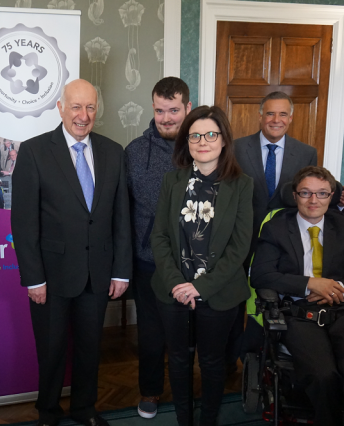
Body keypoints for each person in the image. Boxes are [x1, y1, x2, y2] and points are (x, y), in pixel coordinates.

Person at [11, 79, 131, 426]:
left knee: (90, 349)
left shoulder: (113, 152)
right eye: (76, 107)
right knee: (50, 351)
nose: (83, 115)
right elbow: (24, 223)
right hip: (51, 275)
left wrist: (121, 270)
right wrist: (34, 278)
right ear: (61, 108)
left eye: (90, 107)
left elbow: (121, 215)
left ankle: (84, 409)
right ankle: (48, 412)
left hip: (98, 273)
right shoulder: (34, 152)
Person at [230, 91, 344, 368]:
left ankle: (265, 356)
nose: (276, 120)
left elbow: (320, 190)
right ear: (260, 115)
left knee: (271, 301)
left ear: (291, 117)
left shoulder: (305, 151)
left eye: (283, 114)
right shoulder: (236, 148)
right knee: (235, 302)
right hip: (240, 239)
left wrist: (342, 198)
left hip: (281, 243)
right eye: (270, 113)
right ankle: (231, 359)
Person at [250, 166, 344, 426]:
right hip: (300, 314)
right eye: (306, 193)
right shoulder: (276, 229)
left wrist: (337, 290)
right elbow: (261, 276)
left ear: (332, 196)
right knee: (323, 374)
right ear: (295, 195)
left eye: (322, 194)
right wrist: (310, 283)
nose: (314, 201)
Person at [150, 105, 253, 426]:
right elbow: (160, 237)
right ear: (186, 142)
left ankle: (207, 420)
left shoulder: (242, 184)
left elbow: (239, 247)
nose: (202, 141)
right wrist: (176, 284)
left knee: (212, 362)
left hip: (219, 292)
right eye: (194, 135)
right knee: (178, 361)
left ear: (224, 140)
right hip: (173, 290)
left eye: (210, 134)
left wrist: (200, 286)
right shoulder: (173, 181)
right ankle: (184, 419)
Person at [124, 76, 191, 419]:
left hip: (193, 264)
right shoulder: (135, 151)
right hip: (148, 261)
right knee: (151, 334)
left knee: (188, 334)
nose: (166, 118)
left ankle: (188, 391)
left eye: (174, 110)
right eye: (160, 110)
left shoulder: (204, 146)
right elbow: (123, 210)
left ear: (187, 108)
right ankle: (150, 391)